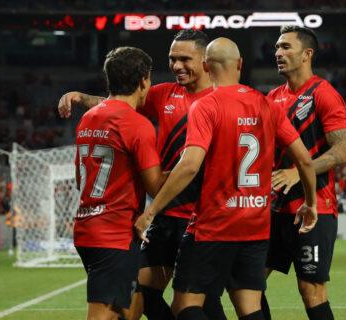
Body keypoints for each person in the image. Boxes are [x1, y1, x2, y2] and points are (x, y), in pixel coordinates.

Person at [134, 38, 317, 320]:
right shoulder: (267, 104)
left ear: (206, 66)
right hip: (255, 224)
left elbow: (190, 165)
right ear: (241, 64)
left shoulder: (206, 106)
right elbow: (304, 160)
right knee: (249, 306)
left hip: (214, 225)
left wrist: (151, 210)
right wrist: (310, 203)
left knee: (184, 305)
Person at [58, 30, 226, 320]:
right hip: (164, 213)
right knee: (142, 294)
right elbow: (119, 103)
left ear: (206, 61)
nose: (176, 66)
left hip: (203, 216)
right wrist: (82, 97)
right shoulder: (163, 94)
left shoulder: (221, 100)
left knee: (202, 299)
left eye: (185, 59)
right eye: (172, 59)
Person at [263, 26, 346, 320]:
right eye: (277, 47)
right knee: (245, 283)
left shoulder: (324, 94)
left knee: (311, 289)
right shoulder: (271, 97)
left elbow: (342, 151)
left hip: (315, 209)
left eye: (286, 47)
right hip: (275, 209)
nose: (278, 53)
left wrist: (297, 172)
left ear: (307, 54)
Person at [73, 46, 165, 320]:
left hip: (88, 226)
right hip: (112, 234)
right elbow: (155, 186)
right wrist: (189, 166)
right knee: (103, 314)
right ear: (144, 80)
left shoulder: (88, 118)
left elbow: (81, 180)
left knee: (132, 305)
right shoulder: (136, 124)